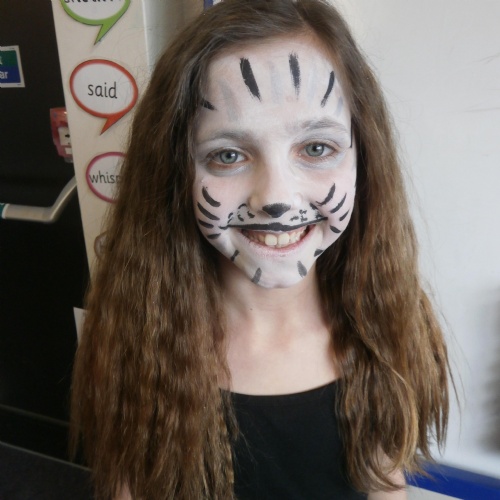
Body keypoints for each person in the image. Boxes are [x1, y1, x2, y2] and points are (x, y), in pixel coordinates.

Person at [71, 1, 452, 498]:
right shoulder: (139, 337)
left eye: (316, 148)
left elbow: (385, 483)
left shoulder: (386, 320)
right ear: (174, 172)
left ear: (364, 155)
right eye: (228, 154)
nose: (275, 197)